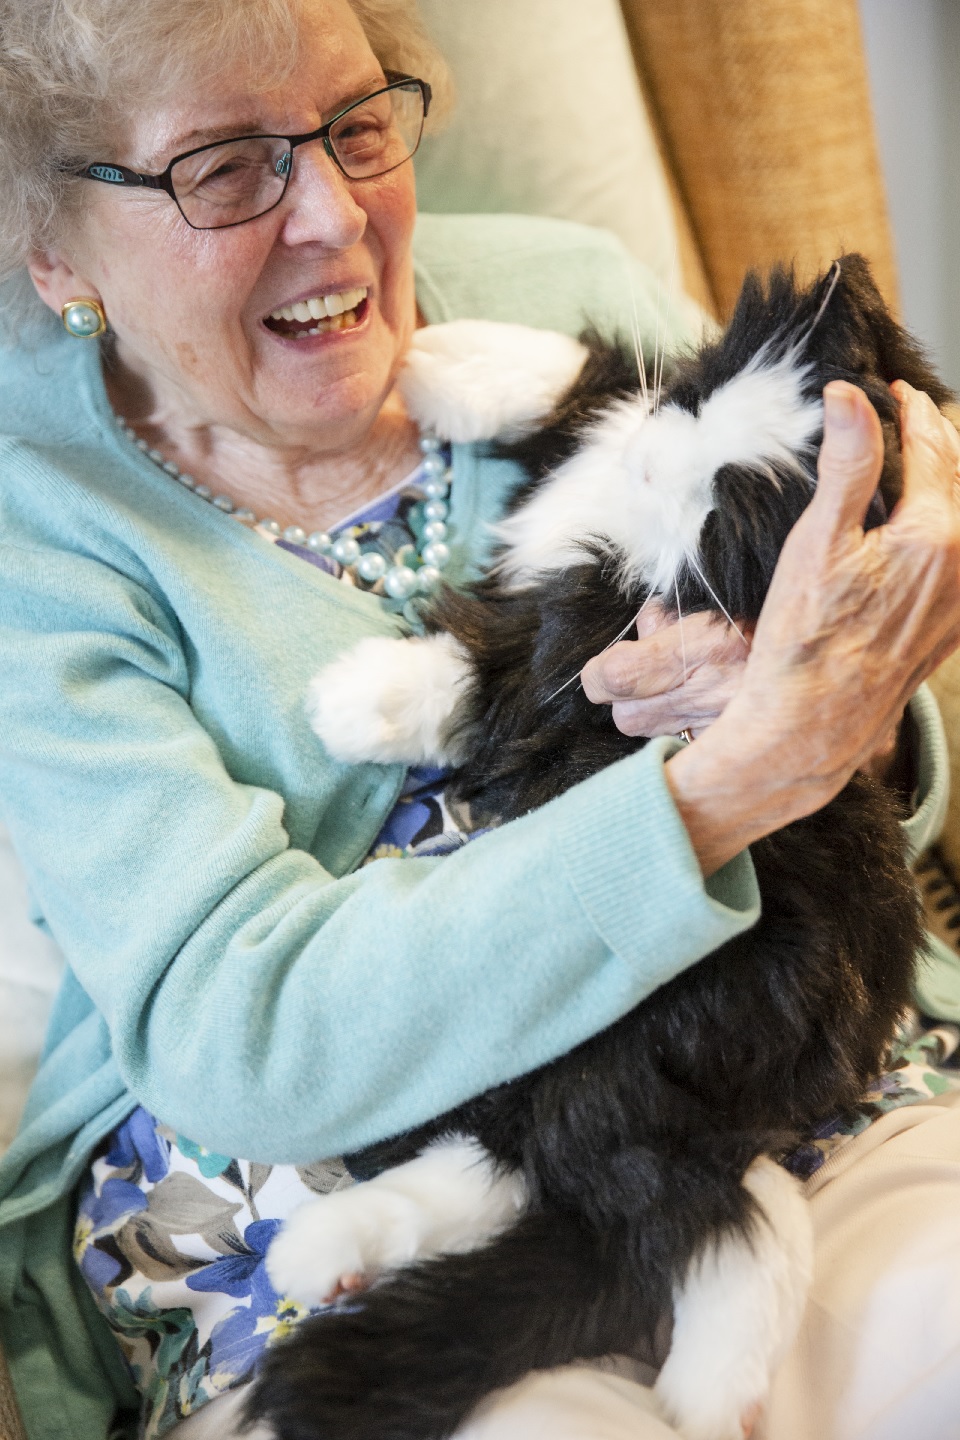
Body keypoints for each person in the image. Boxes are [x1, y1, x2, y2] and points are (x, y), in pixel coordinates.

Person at [0, 0, 959, 1438]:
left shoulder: (564, 285)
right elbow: (238, 1030)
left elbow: (867, 755)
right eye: (221, 166)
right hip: (335, 1193)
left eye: (355, 123)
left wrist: (860, 692)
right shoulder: (38, 525)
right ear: (55, 247)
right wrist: (723, 789)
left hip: (769, 1073)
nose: (330, 214)